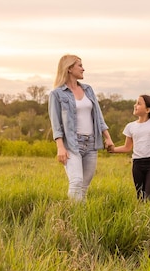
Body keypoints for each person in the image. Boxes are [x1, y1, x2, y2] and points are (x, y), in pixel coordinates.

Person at [48, 54, 114, 201]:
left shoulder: (88, 90)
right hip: (72, 143)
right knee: (76, 181)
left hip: (91, 143)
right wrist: (60, 147)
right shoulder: (56, 94)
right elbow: (56, 123)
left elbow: (98, 116)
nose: (83, 69)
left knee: (84, 186)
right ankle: (73, 218)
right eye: (80, 65)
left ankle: (79, 219)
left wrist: (108, 138)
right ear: (69, 68)